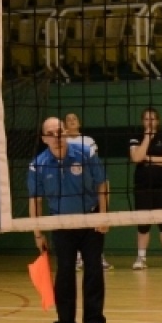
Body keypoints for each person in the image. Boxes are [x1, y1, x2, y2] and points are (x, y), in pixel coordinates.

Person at [28, 116, 110, 323]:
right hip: (61, 223)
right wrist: (37, 233)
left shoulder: (85, 153)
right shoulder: (38, 164)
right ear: (44, 139)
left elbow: (102, 183)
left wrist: (104, 215)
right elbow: (35, 200)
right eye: (51, 134)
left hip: (90, 219)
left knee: (93, 269)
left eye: (60, 131)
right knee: (65, 272)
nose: (57, 137)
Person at [129, 107, 162, 270]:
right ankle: (141, 257)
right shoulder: (136, 138)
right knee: (143, 223)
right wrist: (147, 138)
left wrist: (148, 158)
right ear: (142, 121)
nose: (149, 122)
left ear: (157, 121)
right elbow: (136, 158)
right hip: (142, 186)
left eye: (152, 119)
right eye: (146, 119)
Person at [64, 113, 112, 271]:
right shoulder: (62, 141)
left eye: (74, 119)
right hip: (71, 187)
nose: (72, 121)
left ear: (79, 123)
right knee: (74, 225)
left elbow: (94, 162)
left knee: (96, 223)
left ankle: (98, 256)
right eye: (68, 119)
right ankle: (78, 258)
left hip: (89, 185)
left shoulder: (88, 140)